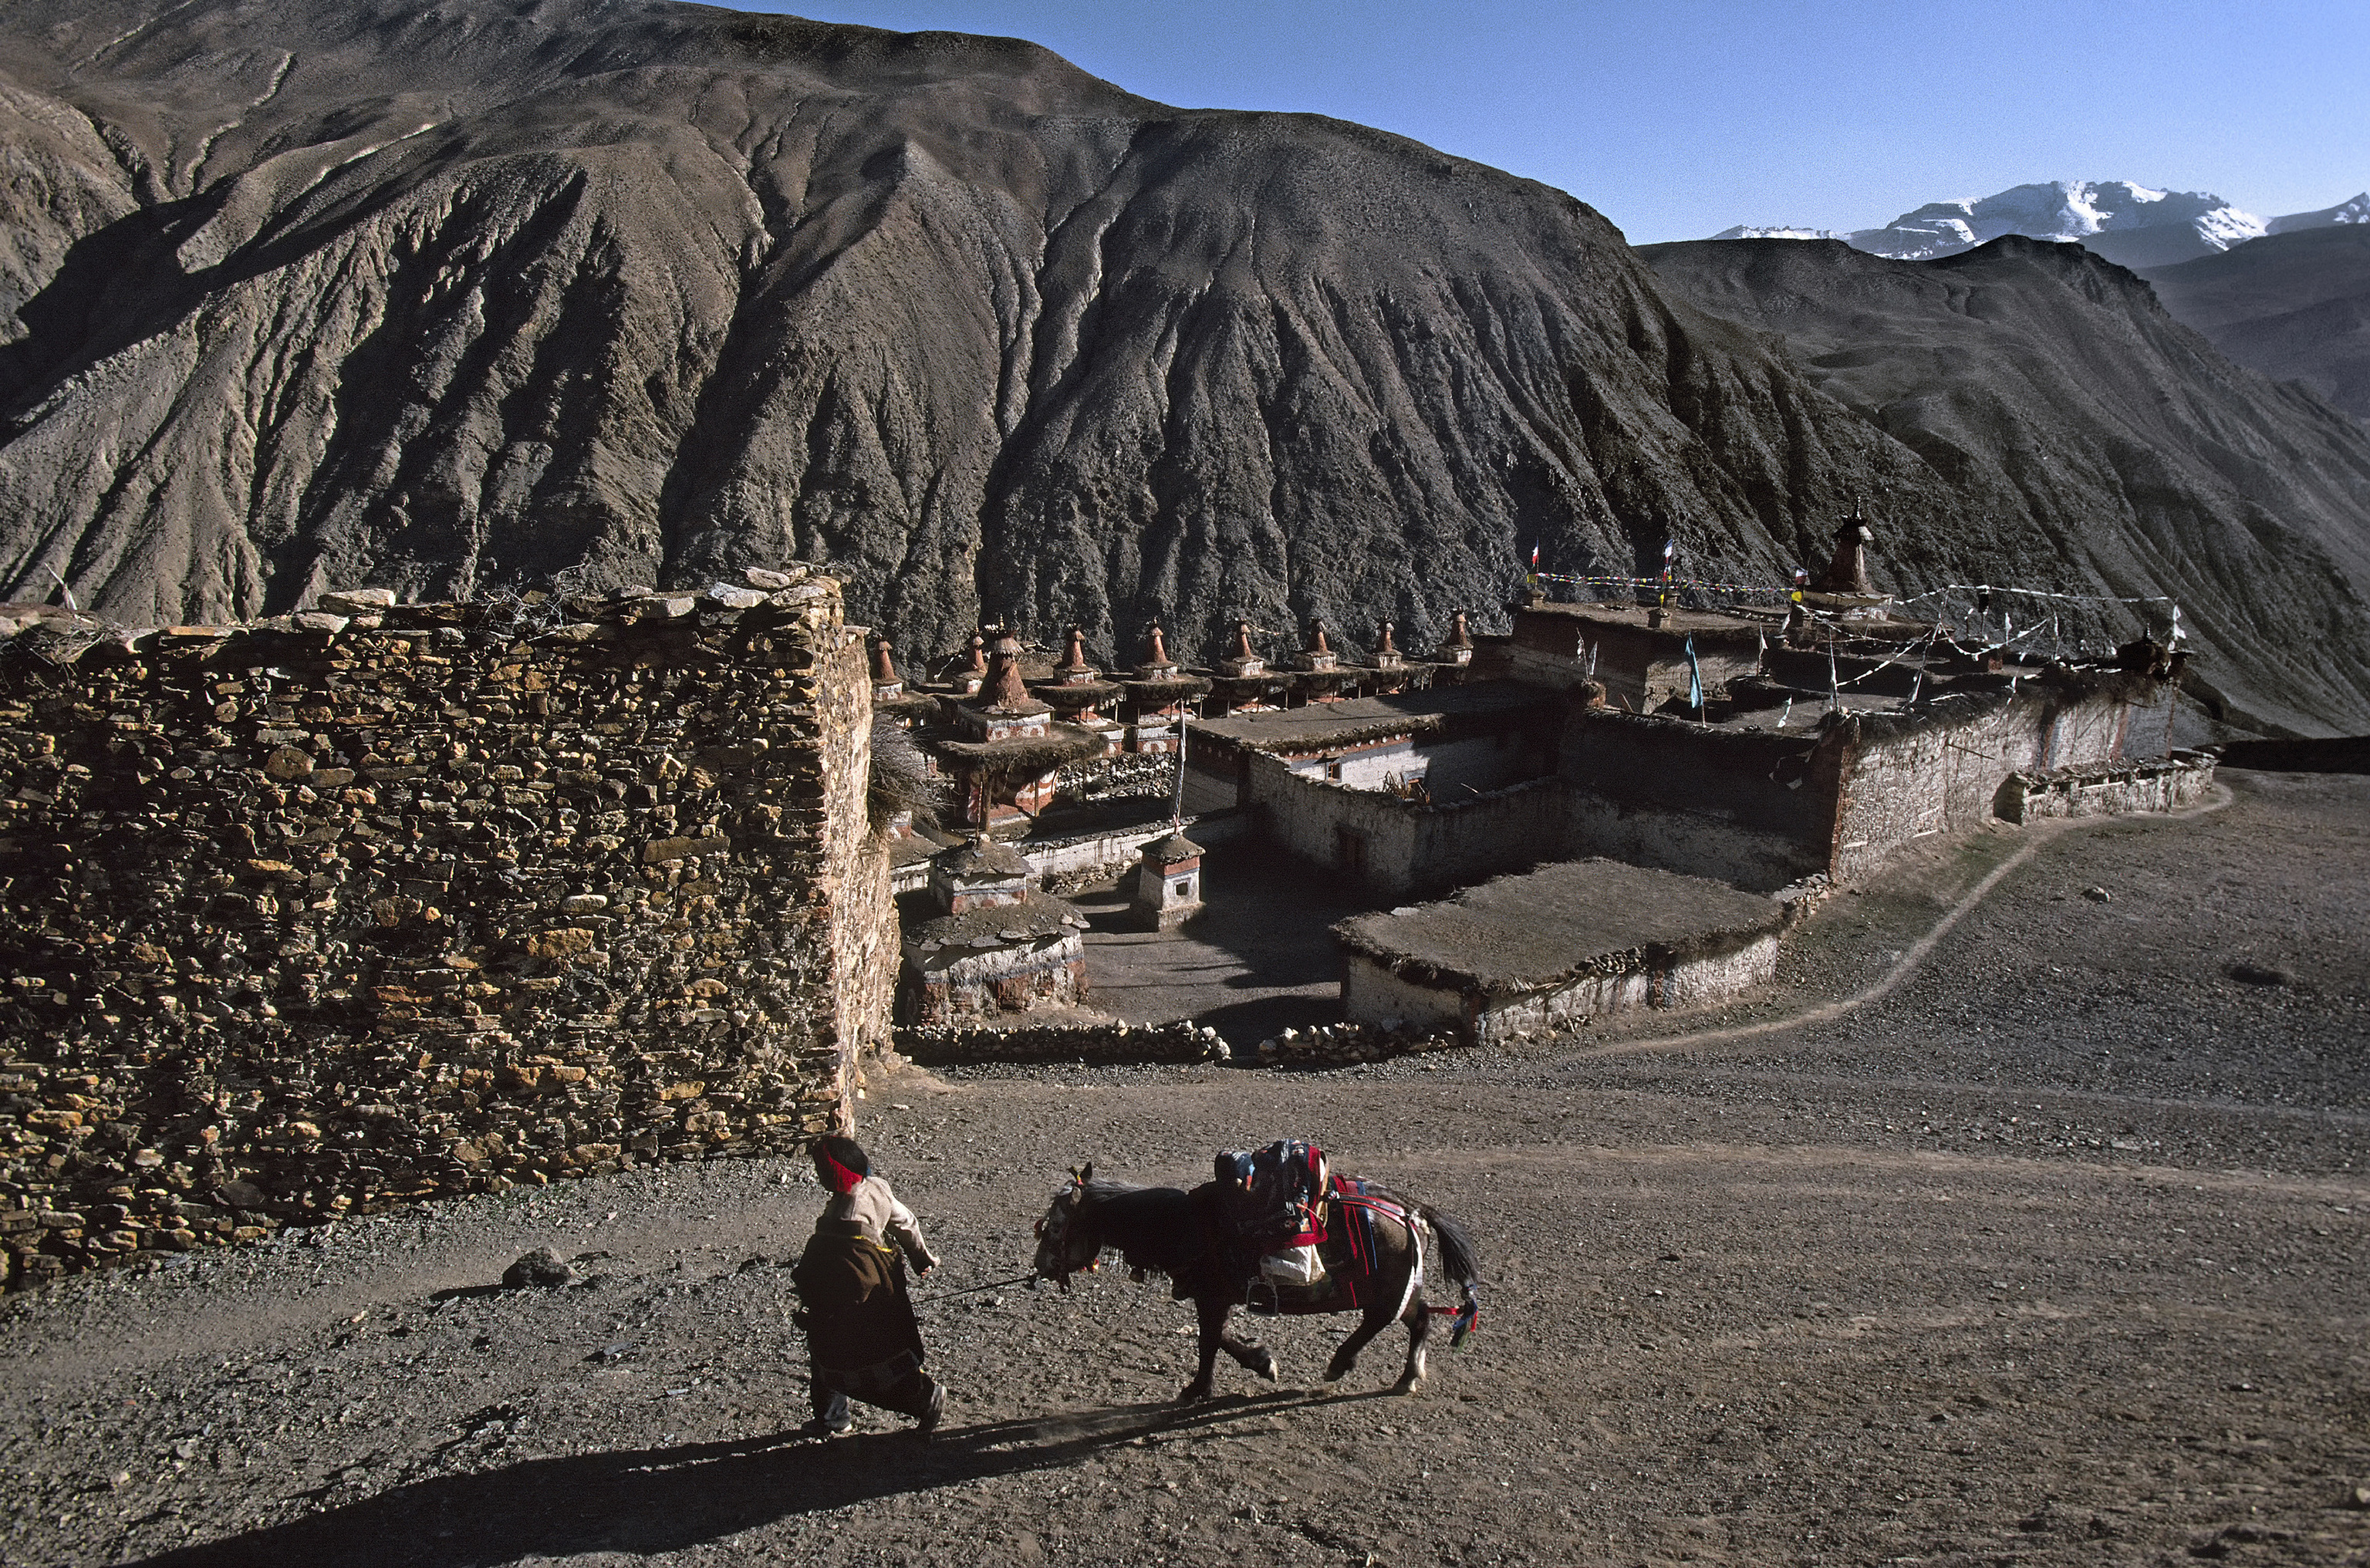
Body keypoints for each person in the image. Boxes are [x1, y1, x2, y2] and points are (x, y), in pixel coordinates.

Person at [792, 1135, 946, 1437]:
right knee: (876, 1346)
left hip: (853, 1292)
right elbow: (905, 1223)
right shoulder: (878, 1189)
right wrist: (921, 1259)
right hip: (875, 1284)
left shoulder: (839, 1217)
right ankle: (833, 1417)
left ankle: (924, 1399)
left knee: (850, 1354)